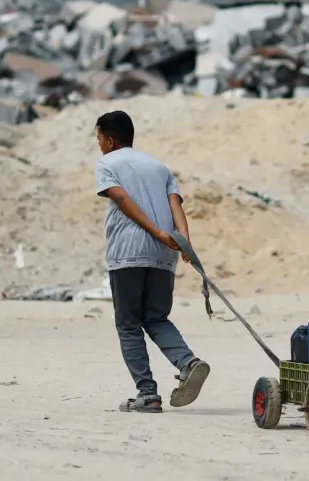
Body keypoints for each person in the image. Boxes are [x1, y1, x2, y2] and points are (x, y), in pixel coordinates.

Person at [93, 110, 210, 413]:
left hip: (128, 253)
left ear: (110, 140)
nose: (99, 145)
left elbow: (121, 199)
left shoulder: (107, 163)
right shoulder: (160, 168)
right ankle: (188, 362)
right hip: (164, 255)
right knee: (156, 318)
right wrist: (184, 242)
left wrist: (156, 231)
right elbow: (176, 207)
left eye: (98, 139)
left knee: (129, 324)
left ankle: (147, 393)